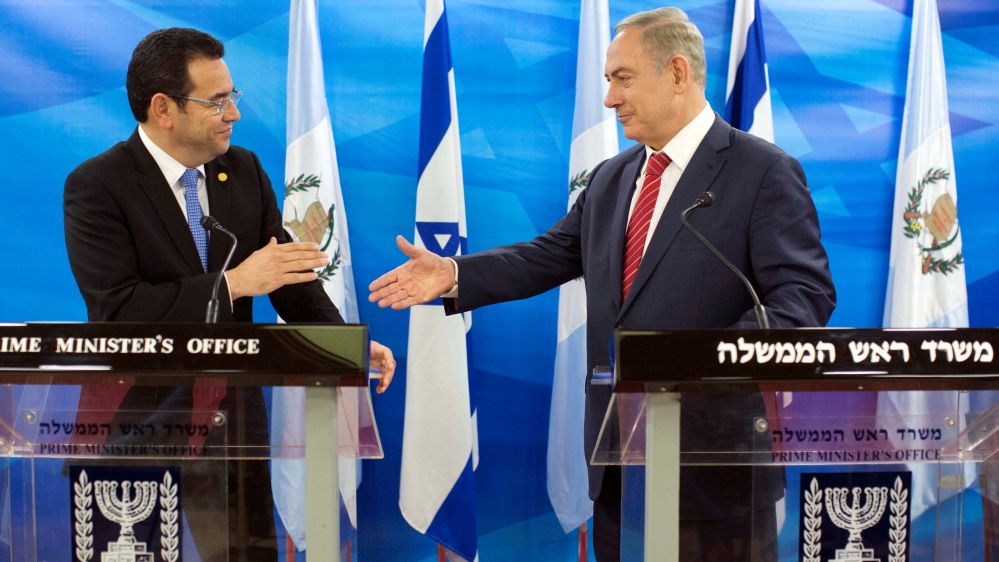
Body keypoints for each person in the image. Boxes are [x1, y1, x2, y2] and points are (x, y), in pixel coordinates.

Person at [369, 7, 835, 562]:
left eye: (624, 79)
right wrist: (454, 274)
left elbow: (804, 298)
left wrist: (707, 363)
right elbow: (550, 254)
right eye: (609, 81)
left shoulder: (763, 171)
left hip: (716, 470)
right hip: (620, 464)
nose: (611, 98)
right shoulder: (614, 177)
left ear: (679, 73)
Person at [64, 28, 395, 561]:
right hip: (135, 428)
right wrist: (234, 284)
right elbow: (118, 311)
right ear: (163, 109)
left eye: (232, 97)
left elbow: (289, 278)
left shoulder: (242, 171)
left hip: (229, 427)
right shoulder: (98, 186)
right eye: (216, 101)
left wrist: (343, 346)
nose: (233, 114)